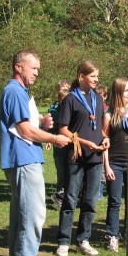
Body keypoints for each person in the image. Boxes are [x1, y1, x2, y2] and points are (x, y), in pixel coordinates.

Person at [0, 49, 71, 256]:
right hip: (24, 160)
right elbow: (24, 130)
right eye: (33, 67)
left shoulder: (19, 92)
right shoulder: (15, 91)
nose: (37, 72)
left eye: (38, 68)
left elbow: (27, 125)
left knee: (22, 214)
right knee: (32, 214)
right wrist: (54, 138)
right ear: (18, 67)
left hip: (23, 159)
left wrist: (43, 123)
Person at [56, 60, 110, 256]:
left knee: (90, 201)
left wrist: (105, 138)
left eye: (97, 76)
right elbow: (62, 129)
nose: (96, 79)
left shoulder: (97, 98)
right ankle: (63, 241)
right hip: (76, 156)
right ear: (81, 76)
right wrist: (82, 142)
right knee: (70, 199)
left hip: (95, 157)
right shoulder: (70, 99)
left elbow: (100, 128)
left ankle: (83, 239)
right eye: (93, 76)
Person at [102, 78, 128, 252]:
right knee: (115, 201)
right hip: (115, 163)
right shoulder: (109, 115)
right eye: (126, 90)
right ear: (118, 92)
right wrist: (107, 166)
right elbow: (104, 142)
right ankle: (113, 236)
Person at [46, 79, 70, 209]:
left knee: (70, 174)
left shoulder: (74, 108)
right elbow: (51, 127)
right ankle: (59, 198)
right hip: (58, 147)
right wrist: (50, 140)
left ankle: (68, 197)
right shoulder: (54, 109)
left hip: (70, 146)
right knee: (61, 173)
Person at [96, 84, 109, 200]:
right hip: (97, 139)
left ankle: (102, 190)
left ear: (105, 96)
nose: (100, 97)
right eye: (98, 95)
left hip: (106, 139)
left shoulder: (107, 109)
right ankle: (98, 191)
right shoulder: (95, 107)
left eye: (102, 95)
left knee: (105, 167)